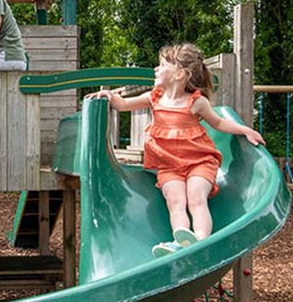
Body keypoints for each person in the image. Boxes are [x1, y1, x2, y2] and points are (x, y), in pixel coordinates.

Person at [86, 43, 265, 257]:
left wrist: (245, 130)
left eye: (162, 65)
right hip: (170, 166)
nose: (156, 69)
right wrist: (107, 95)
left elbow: (218, 123)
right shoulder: (154, 98)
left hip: (199, 163)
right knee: (175, 200)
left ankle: (201, 240)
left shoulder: (196, 102)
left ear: (180, 73)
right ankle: (181, 242)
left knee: (195, 196)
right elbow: (123, 104)